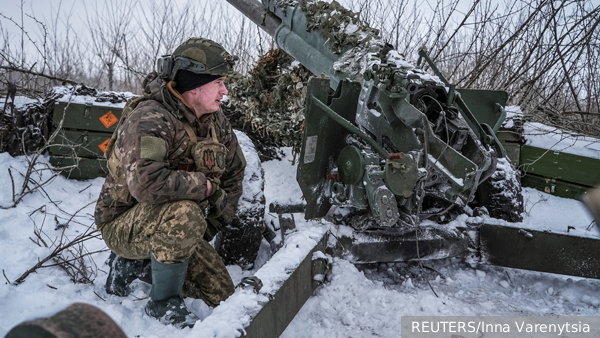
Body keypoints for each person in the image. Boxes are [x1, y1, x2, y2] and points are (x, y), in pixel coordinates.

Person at [94, 38, 246, 328]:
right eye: (219, 82)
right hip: (122, 223)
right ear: (194, 85)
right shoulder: (150, 119)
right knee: (185, 212)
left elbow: (234, 173)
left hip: (177, 224)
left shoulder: (216, 121)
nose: (225, 91)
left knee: (222, 295)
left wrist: (208, 227)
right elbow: (147, 183)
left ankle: (148, 262)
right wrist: (207, 188)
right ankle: (162, 302)